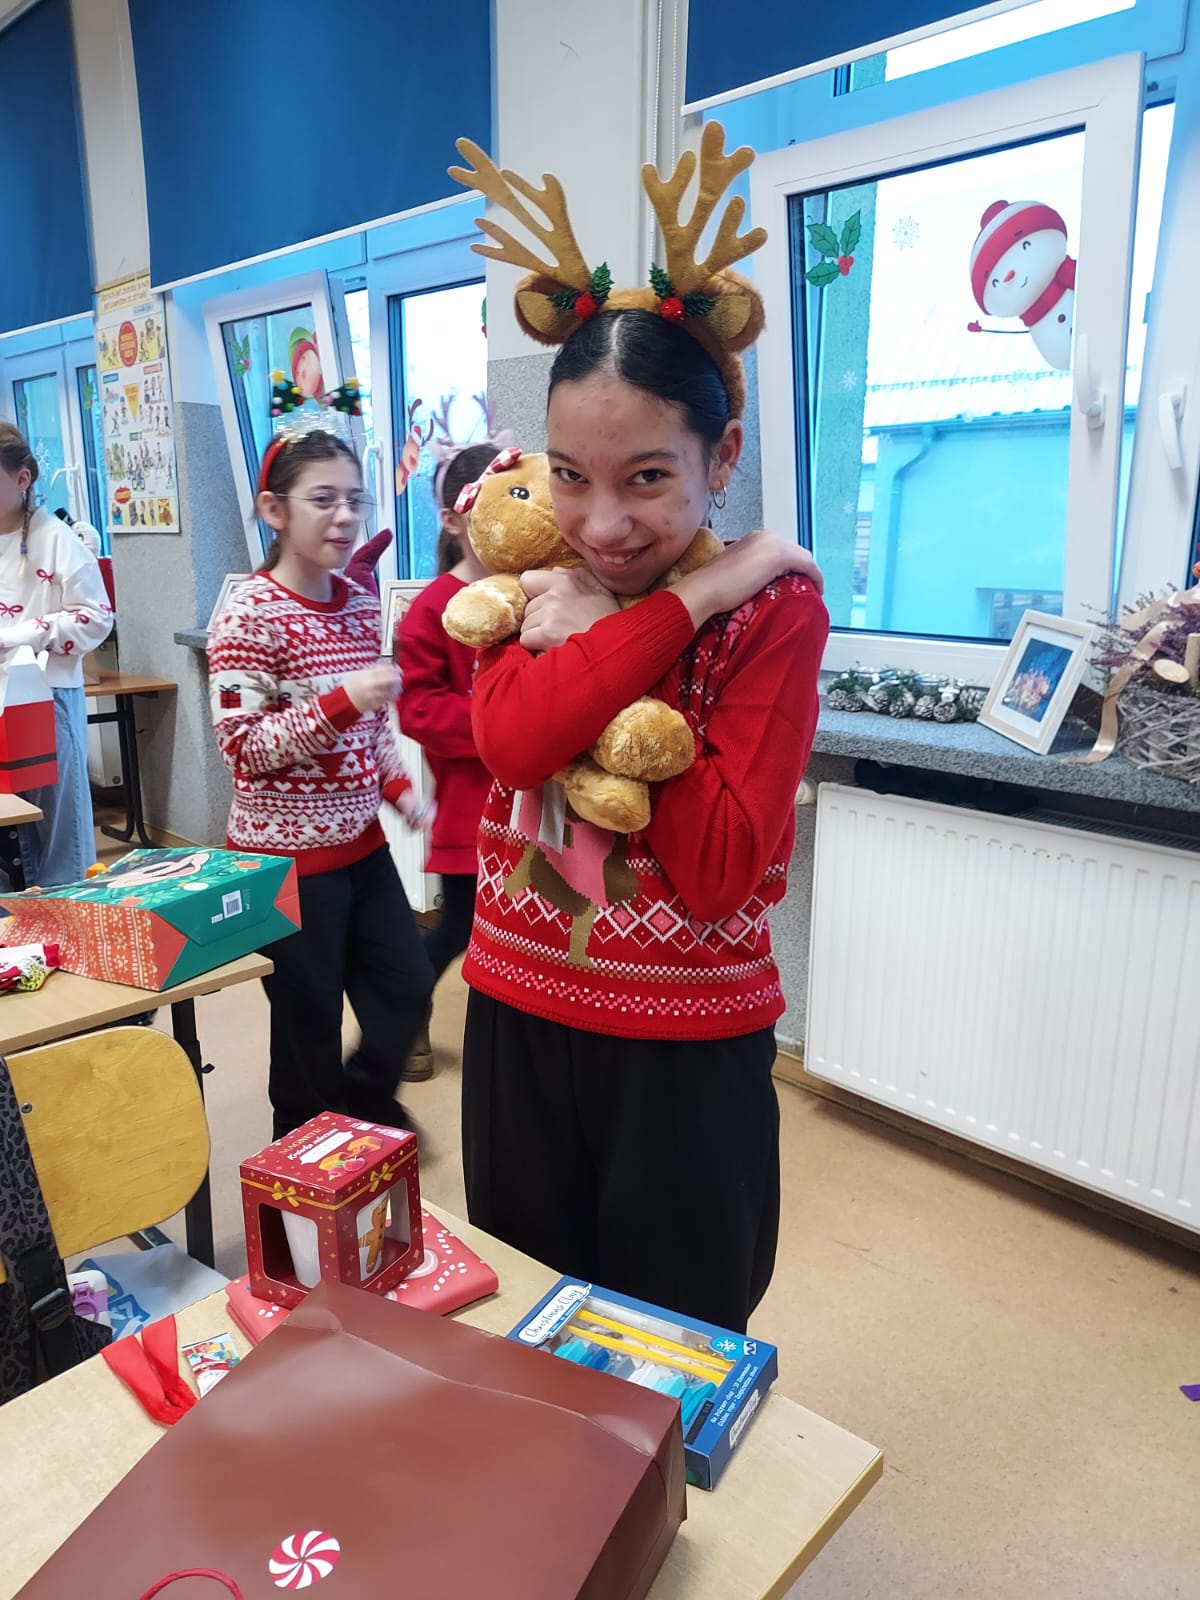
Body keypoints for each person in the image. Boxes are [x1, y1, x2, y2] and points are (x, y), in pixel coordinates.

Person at [454, 127, 829, 1333]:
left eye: (648, 478)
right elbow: (516, 748)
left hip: (683, 1043)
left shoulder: (776, 610)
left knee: (673, 1344)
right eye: (570, 474)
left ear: (724, 455)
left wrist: (623, 631)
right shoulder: (530, 573)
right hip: (517, 1007)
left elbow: (717, 871)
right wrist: (685, 602)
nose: (602, 523)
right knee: (532, 1332)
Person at [207, 411, 435, 1141]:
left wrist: (399, 791)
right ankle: (302, 1160)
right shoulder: (248, 615)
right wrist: (341, 702)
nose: (344, 516)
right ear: (274, 510)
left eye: (354, 499)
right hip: (286, 865)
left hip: (362, 850)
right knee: (307, 1024)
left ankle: (359, 1108)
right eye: (323, 499)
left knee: (407, 991)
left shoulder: (361, 606)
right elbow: (243, 747)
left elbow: (374, 731)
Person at [395, 441, 499, 1079]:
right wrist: (501, 721)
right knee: (462, 927)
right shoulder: (433, 608)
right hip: (471, 808)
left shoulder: (534, 592)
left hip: (539, 805)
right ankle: (407, 1008)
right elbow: (419, 711)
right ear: (454, 520)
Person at [0, 422, 114, 888]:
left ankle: (65, 915)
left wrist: (20, 636)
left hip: (45, 698)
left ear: (22, 479)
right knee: (13, 830)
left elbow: (97, 618)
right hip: (3, 698)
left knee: (58, 834)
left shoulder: (55, 538)